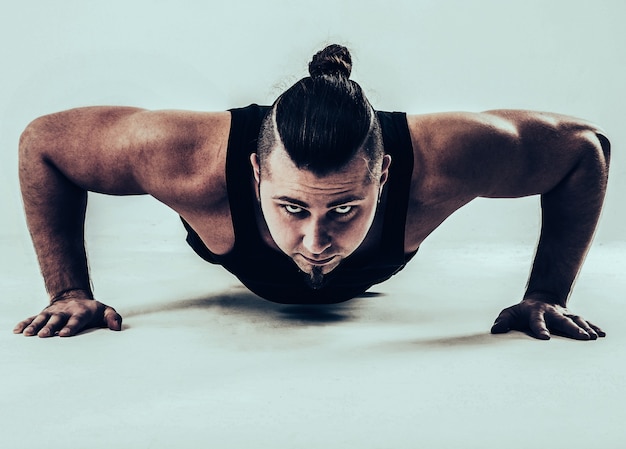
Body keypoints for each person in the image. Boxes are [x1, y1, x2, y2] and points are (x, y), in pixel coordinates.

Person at [13, 44, 610, 340]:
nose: (316, 239)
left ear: (385, 176)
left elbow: (584, 151)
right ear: (254, 173)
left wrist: (545, 294)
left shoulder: (447, 160)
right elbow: (45, 144)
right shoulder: (184, 158)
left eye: (345, 208)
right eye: (292, 207)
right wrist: (69, 291)